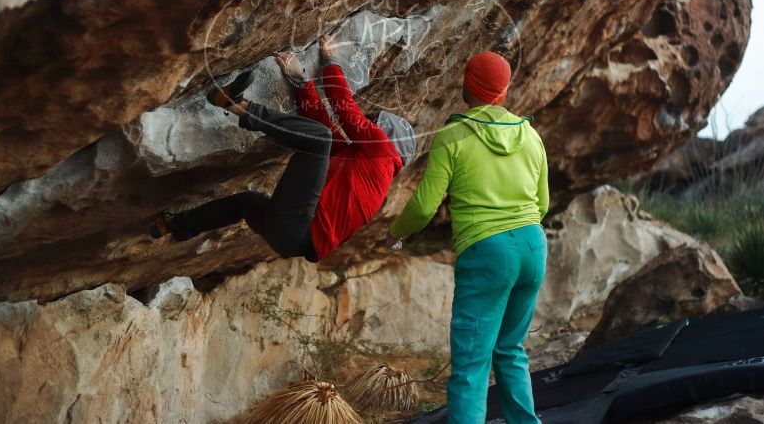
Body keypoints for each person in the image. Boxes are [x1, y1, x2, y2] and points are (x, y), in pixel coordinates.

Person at [149, 34, 417, 263]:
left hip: (300, 224)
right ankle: (175, 225)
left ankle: (238, 105)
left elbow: (345, 109)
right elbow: (320, 127)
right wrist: (301, 82)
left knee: (320, 139)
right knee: (246, 203)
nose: (368, 124)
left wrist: (330, 60)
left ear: (386, 134)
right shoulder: (371, 174)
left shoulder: (381, 150)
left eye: (374, 123)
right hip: (290, 241)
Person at [388, 51, 549, 423]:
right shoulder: (530, 134)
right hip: (532, 246)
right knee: (511, 350)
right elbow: (542, 203)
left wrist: (397, 232)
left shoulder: (454, 133)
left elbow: (426, 206)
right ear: (504, 91)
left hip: (488, 252)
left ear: (468, 84)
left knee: (471, 366)